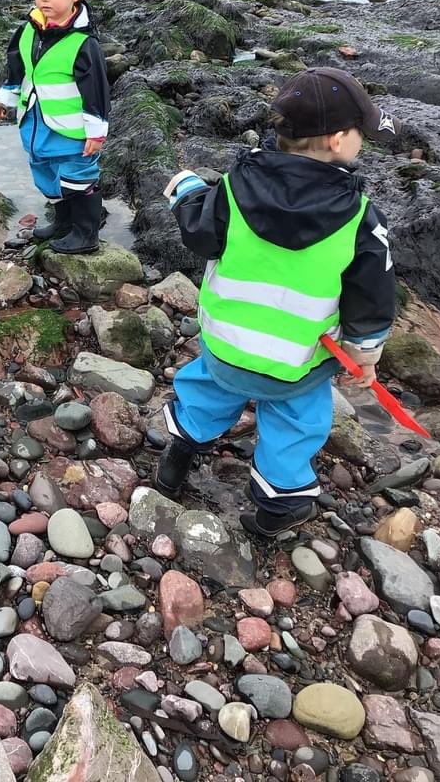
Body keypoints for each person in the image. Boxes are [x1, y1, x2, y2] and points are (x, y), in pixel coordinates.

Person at [156, 68, 399, 538]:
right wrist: (366, 354)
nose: (362, 144)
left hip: (226, 349)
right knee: (293, 431)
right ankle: (273, 514)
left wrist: (186, 191)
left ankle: (178, 457)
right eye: (360, 135)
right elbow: (372, 295)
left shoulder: (233, 187)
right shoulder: (360, 219)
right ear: (335, 141)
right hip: (298, 366)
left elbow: (201, 233)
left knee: (204, 396)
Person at [0, 0, 109, 254]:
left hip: (72, 131)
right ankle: (63, 222)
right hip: (35, 123)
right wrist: (6, 100)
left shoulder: (83, 43)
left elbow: (96, 89)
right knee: (45, 173)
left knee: (77, 177)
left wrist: (96, 131)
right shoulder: (28, 30)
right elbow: (17, 70)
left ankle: (86, 234)